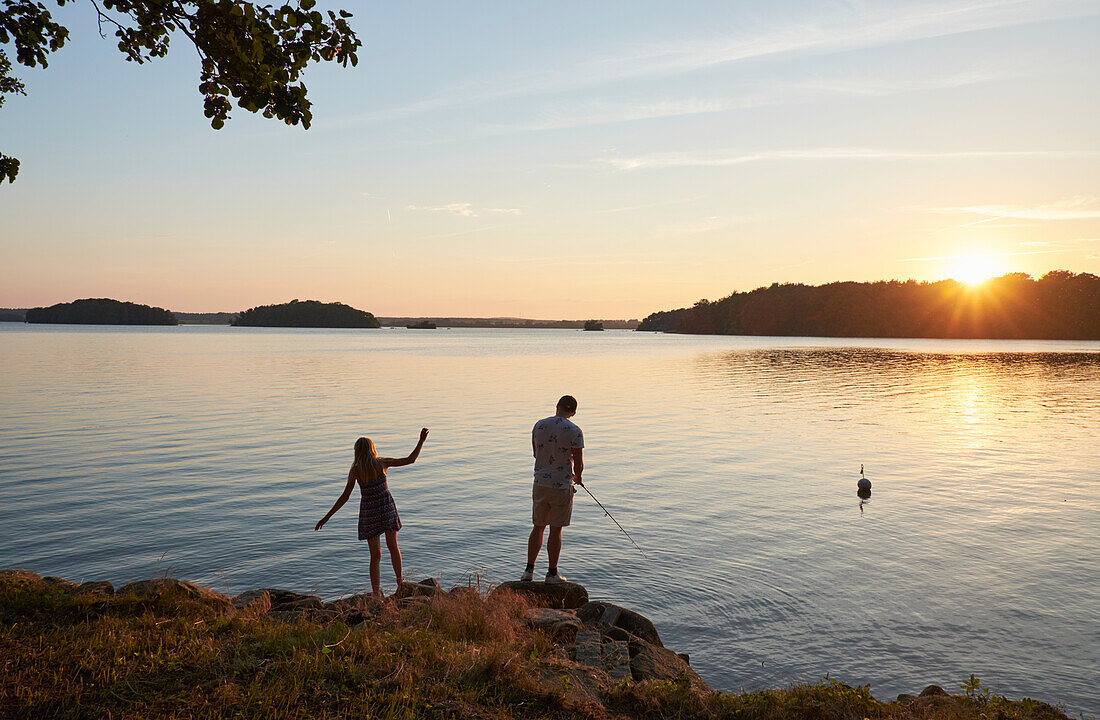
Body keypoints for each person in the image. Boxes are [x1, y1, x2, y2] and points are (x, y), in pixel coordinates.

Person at [315, 428, 429, 598]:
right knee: (393, 547)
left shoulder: (356, 470)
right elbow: (411, 460)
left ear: (357, 452)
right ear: (372, 449)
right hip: (385, 508)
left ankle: (376, 593)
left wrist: (327, 517)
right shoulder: (381, 463)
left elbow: (345, 497)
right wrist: (421, 441)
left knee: (375, 556)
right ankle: (400, 581)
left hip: (369, 512)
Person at [522, 395, 583, 583]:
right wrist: (578, 477)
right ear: (573, 412)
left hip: (540, 483)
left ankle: (528, 571)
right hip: (561, 485)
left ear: (556, 407)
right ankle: (552, 573)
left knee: (538, 527)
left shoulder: (539, 425)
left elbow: (535, 453)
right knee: (555, 531)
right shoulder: (575, 430)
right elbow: (578, 463)